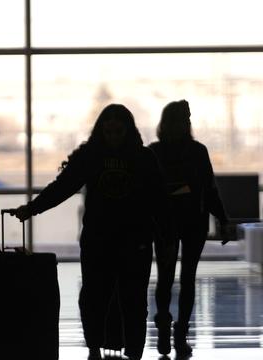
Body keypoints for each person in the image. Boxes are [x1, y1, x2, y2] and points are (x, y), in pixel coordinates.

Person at [12, 104, 168, 360]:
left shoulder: (91, 156)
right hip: (132, 240)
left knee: (97, 296)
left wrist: (32, 209)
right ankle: (132, 351)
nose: (114, 136)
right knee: (132, 299)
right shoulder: (142, 158)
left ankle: (96, 347)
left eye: (116, 131)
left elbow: (63, 186)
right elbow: (159, 200)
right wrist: (166, 236)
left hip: (101, 239)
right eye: (111, 131)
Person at [149, 99, 229, 357]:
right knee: (188, 279)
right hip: (194, 220)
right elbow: (209, 189)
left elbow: (148, 192)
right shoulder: (198, 151)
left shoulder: (154, 152)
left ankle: (163, 327)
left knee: (165, 277)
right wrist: (223, 220)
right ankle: (180, 334)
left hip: (165, 222)